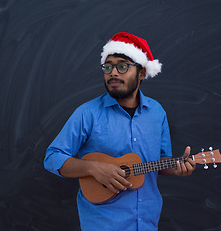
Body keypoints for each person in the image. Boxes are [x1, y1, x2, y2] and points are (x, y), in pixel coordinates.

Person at [44, 32, 196, 231]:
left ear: (141, 73)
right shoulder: (87, 114)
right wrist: (93, 168)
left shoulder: (157, 113)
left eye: (122, 66)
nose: (113, 73)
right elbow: (52, 157)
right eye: (108, 67)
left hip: (148, 223)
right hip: (103, 225)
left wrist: (176, 168)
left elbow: (160, 163)